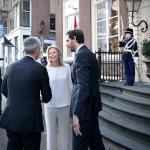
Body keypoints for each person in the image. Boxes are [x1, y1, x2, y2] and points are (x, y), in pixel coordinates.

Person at [0, 37, 52, 150]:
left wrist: (17, 97)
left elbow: (3, 89)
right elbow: (47, 97)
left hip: (12, 118)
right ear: (37, 50)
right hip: (30, 122)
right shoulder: (40, 69)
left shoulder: (11, 66)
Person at [66, 29, 105, 150]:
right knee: (95, 142)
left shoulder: (82, 55)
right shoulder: (87, 53)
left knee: (79, 145)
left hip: (84, 109)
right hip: (91, 106)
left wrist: (76, 113)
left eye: (68, 41)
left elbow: (83, 86)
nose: (67, 44)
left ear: (75, 39)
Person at [44, 46, 72, 150]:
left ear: (58, 53)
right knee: (51, 133)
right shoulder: (45, 69)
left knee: (63, 132)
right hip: (50, 104)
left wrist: (72, 100)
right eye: (49, 53)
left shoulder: (67, 67)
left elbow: (70, 85)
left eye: (54, 52)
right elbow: (43, 87)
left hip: (65, 104)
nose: (52, 55)